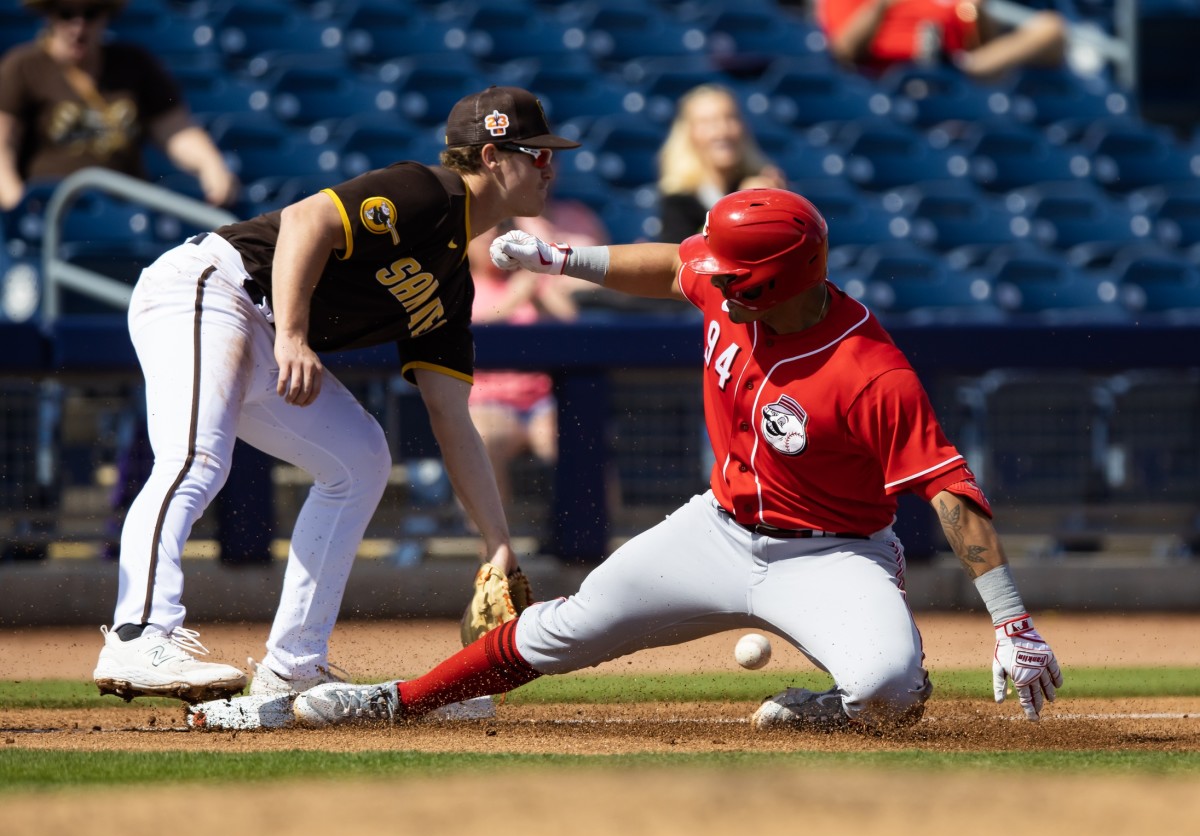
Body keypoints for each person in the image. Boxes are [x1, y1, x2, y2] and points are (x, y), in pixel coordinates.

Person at [289, 187, 1063, 733]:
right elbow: (669, 265)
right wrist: (560, 259)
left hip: (833, 553)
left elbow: (948, 489)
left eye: (735, 277)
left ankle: (841, 707)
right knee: (565, 630)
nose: (717, 283)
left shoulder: (870, 372)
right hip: (717, 529)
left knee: (889, 689)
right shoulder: (732, 285)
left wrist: (1012, 619)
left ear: (784, 279)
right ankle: (402, 699)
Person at [91, 85, 580, 709]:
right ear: (490, 156)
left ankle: (294, 663)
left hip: (264, 328)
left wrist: (497, 542)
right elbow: (306, 220)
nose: (550, 166)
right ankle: (138, 633)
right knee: (195, 457)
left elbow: (450, 416)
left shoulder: (453, 283)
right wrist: (294, 336)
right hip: (212, 289)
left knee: (360, 459)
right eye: (534, 154)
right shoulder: (430, 191)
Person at [0, 0, 238, 211]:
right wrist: (16, 203)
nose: (78, 25)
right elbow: (3, 144)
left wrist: (211, 165)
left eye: (91, 13)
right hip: (52, 211)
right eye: (65, 13)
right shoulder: (23, 67)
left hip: (127, 210)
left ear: (106, 15)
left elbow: (175, 131)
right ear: (48, 14)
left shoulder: (134, 64)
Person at [466, 212, 596, 523]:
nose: (488, 241)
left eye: (494, 233)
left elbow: (573, 329)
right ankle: (491, 540)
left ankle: (586, 531)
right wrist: (515, 299)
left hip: (540, 400)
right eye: (481, 235)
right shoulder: (461, 286)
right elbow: (470, 331)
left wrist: (538, 291)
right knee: (482, 441)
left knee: (576, 437)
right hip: (489, 400)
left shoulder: (528, 282)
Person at [656, 84, 787, 245]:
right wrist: (742, 208)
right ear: (689, 134)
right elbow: (681, 258)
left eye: (730, 118)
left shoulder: (762, 184)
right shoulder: (679, 202)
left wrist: (777, 205)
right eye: (708, 122)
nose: (722, 131)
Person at [817, 0, 1067, 81]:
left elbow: (977, 38)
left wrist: (978, 12)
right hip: (894, 77)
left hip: (955, 65)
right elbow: (844, 49)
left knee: (1050, 26)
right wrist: (881, 5)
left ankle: (964, 69)